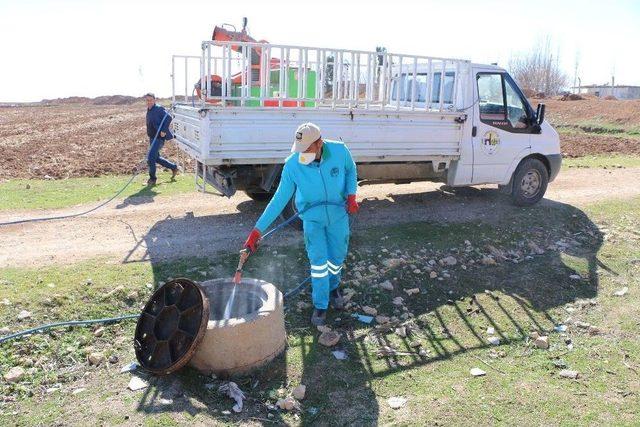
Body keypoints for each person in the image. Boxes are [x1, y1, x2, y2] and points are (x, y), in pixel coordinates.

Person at [243, 122, 359, 326]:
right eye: (299, 149)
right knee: (319, 263)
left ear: (319, 143)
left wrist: (351, 195)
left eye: (306, 149)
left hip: (338, 216)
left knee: (337, 257)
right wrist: (257, 230)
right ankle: (321, 305)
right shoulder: (293, 165)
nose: (301, 153)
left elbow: (351, 171)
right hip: (312, 220)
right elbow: (279, 199)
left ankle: (334, 287)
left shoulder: (340, 151)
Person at [144, 93, 178, 186]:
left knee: (151, 158)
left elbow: (169, 117)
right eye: (147, 100)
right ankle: (174, 167)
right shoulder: (149, 109)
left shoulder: (159, 109)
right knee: (156, 158)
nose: (149, 102)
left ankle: (152, 179)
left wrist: (163, 130)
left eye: (150, 100)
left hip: (159, 138)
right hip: (152, 138)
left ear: (154, 100)